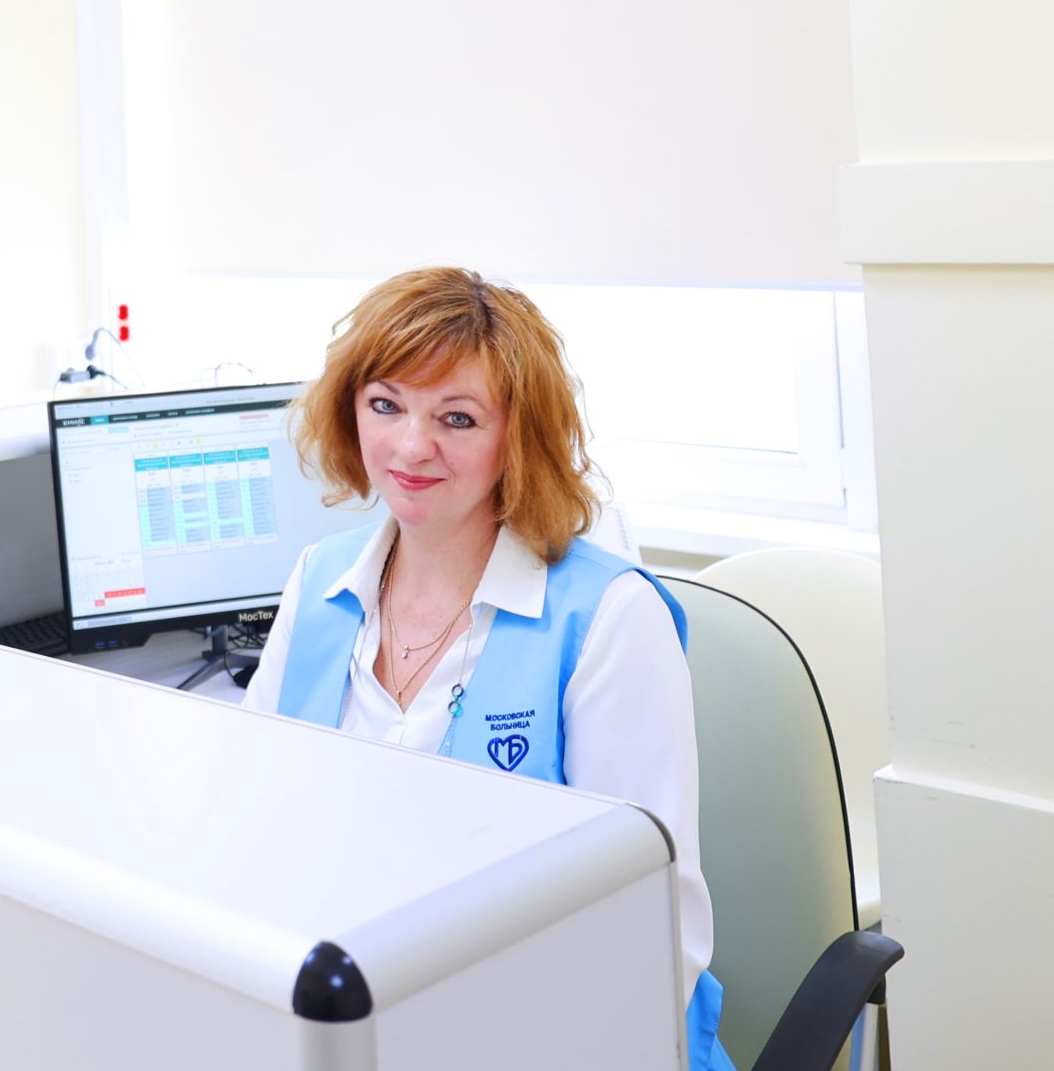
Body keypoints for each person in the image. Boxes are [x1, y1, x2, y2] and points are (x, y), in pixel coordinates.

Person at [241, 266, 728, 1070]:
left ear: (518, 437)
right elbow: (258, 833)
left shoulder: (608, 618)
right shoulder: (318, 585)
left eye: (457, 418)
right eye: (385, 404)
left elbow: (655, 935)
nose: (410, 446)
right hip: (367, 1025)